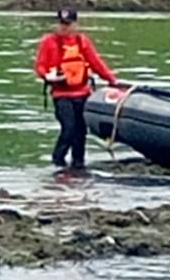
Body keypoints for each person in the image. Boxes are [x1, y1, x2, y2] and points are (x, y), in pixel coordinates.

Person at [34, 9, 122, 170]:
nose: (64, 28)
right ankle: (58, 161)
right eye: (61, 24)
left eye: (68, 24)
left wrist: (112, 81)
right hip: (61, 95)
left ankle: (78, 165)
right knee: (68, 129)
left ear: (75, 24)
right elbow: (40, 66)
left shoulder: (82, 42)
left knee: (80, 132)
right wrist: (47, 76)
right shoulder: (48, 41)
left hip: (83, 93)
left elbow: (96, 63)